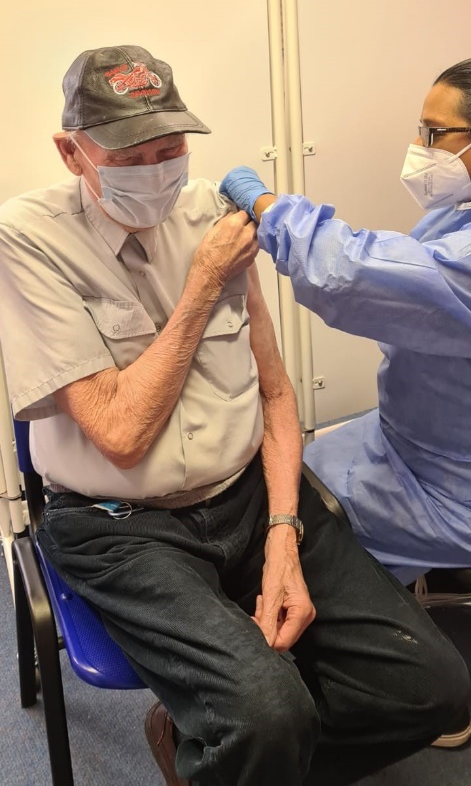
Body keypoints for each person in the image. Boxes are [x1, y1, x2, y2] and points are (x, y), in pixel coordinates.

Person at [0, 46, 470, 786]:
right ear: (71, 151)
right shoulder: (28, 237)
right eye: (132, 154)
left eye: (171, 147)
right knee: (266, 713)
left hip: (245, 496)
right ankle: (246, 745)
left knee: (432, 689)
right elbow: (119, 435)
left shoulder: (209, 210)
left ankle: (217, 760)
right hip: (120, 522)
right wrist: (201, 288)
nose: (159, 168)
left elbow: (276, 396)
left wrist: (284, 532)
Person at [219, 58, 471, 596]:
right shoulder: (460, 209)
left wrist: (263, 204)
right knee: (293, 472)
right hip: (415, 440)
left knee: (290, 532)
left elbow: (351, 271)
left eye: (434, 134)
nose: (420, 148)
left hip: (450, 487)